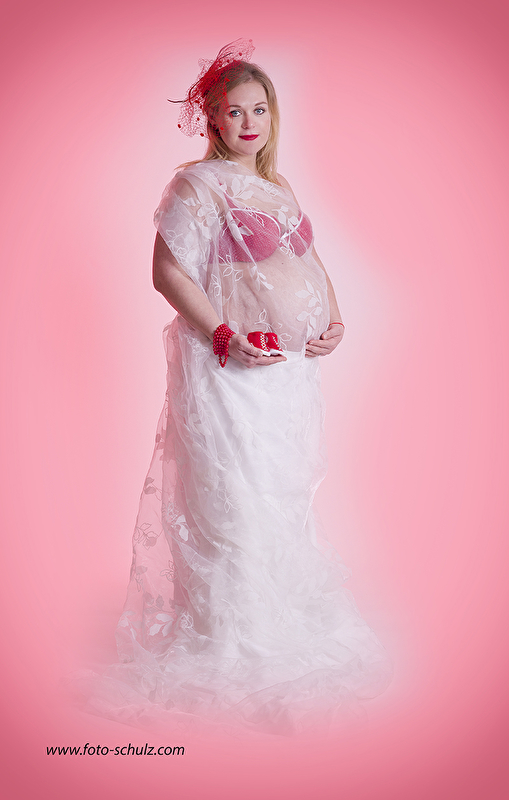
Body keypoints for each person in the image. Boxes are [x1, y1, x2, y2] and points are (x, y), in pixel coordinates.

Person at [104, 39, 392, 736]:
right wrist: (224, 334)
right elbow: (167, 273)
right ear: (212, 118)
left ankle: (278, 615)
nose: (249, 122)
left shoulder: (278, 186)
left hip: (289, 375)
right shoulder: (197, 186)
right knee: (233, 498)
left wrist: (333, 319)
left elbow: (310, 261)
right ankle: (233, 634)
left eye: (259, 109)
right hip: (232, 371)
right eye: (234, 111)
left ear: (272, 114)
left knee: (281, 497)